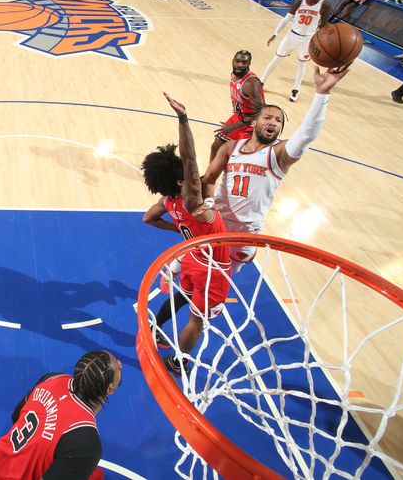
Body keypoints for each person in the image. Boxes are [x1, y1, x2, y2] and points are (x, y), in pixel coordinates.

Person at [203, 66, 350, 272]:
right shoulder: (231, 147)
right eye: (268, 117)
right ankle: (176, 268)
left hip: (246, 230)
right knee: (199, 266)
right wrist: (208, 204)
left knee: (226, 274)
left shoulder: (279, 154)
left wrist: (322, 93)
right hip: (218, 219)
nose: (273, 122)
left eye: (278, 120)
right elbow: (209, 178)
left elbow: (307, 135)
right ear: (254, 122)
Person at [142, 93, 231, 375]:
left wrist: (179, 233)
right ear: (181, 179)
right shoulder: (192, 202)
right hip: (213, 267)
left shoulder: (168, 202)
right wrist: (183, 118)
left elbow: (149, 218)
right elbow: (190, 156)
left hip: (192, 256)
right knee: (196, 321)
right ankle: (179, 362)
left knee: (184, 295)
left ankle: (156, 325)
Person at [0, 351, 122, 480]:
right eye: (118, 366)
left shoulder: (52, 378)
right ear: (109, 389)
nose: (120, 363)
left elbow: (16, 415)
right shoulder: (87, 442)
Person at [262, 0, 331, 102]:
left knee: (302, 65)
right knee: (276, 59)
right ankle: (261, 82)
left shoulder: (324, 5)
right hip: (292, 36)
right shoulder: (300, 1)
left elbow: (323, 25)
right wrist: (275, 34)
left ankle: (295, 90)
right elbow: (286, 19)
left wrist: (321, 41)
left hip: (307, 39)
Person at [210, 50, 265, 161]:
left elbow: (261, 113)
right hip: (240, 116)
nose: (240, 64)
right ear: (233, 61)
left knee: (238, 156)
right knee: (216, 145)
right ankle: (209, 177)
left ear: (249, 64)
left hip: (252, 122)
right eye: (237, 61)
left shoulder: (251, 83)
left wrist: (233, 127)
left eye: (244, 62)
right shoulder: (234, 75)